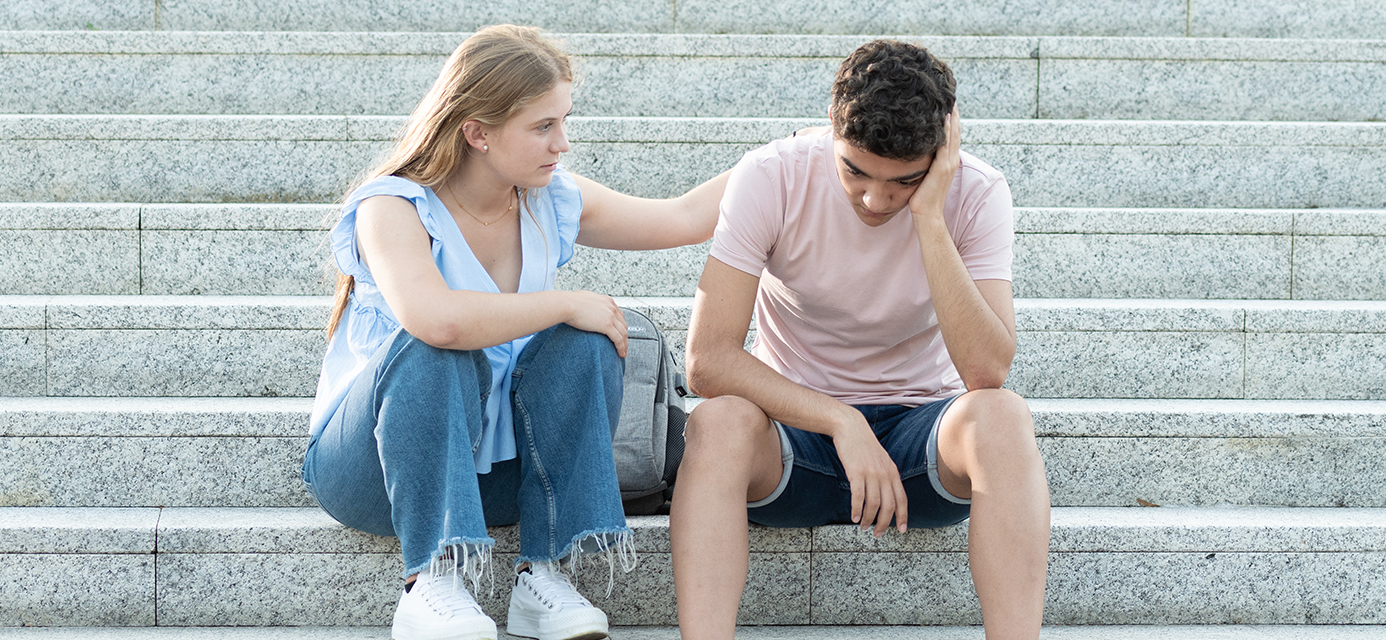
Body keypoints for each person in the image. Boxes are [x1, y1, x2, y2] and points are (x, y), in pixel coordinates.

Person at [300, 25, 728, 640]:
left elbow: (683, 217)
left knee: (588, 337)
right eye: (543, 126)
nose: (563, 143)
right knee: (436, 348)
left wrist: (792, 153)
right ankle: (431, 580)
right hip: (377, 474)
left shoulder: (547, 199)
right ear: (478, 132)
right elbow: (437, 319)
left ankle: (544, 576)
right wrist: (560, 302)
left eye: (564, 121)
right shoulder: (391, 208)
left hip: (503, 477)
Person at [670, 40, 1050, 640]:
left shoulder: (976, 192)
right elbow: (707, 361)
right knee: (717, 423)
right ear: (831, 128)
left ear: (941, 152)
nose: (876, 199)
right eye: (855, 171)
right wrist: (841, 421)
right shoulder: (771, 175)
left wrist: (928, 216)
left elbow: (986, 371)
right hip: (794, 439)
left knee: (1001, 416)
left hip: (918, 442)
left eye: (904, 180)